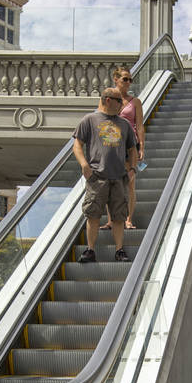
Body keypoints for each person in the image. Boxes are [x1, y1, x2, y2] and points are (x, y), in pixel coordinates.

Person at [72, 88, 137, 263]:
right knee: (92, 214)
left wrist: (132, 169)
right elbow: (77, 145)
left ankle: (119, 250)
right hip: (97, 177)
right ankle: (90, 249)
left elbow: (132, 149)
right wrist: (84, 165)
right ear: (108, 100)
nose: (122, 105)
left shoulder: (125, 124)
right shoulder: (89, 120)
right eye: (119, 102)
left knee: (119, 216)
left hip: (119, 177)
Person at [100, 66, 143, 232]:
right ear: (115, 79)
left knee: (130, 184)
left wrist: (142, 147)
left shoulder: (135, 102)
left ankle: (128, 219)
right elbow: (101, 119)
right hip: (111, 145)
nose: (128, 82)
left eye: (130, 79)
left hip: (130, 145)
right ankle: (111, 220)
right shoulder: (108, 98)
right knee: (111, 183)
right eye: (125, 79)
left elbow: (139, 125)